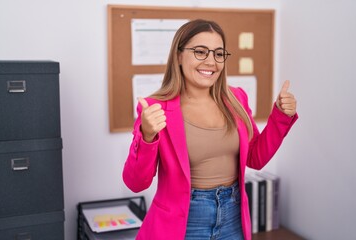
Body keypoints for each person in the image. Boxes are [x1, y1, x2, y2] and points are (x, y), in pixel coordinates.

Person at [123, 19, 298, 240]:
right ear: (178, 55)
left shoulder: (236, 98)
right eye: (200, 51)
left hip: (233, 217)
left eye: (218, 54)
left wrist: (281, 116)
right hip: (185, 222)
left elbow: (256, 158)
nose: (211, 62)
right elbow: (135, 183)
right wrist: (147, 136)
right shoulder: (155, 108)